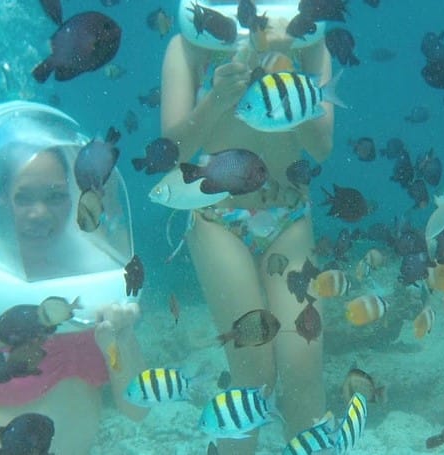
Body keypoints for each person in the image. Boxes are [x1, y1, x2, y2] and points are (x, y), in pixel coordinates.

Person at [160, 0, 334, 451]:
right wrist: (219, 94)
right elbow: (177, 150)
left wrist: (283, 63)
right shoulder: (188, 46)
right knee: (252, 367)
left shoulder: (310, 40)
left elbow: (321, 148)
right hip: (217, 214)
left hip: (289, 212)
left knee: (302, 366)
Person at [0, 101, 147, 454]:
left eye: (56, 196)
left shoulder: (96, 278)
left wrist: (121, 342)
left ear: (74, 198)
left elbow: (137, 409)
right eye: (23, 198)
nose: (39, 212)